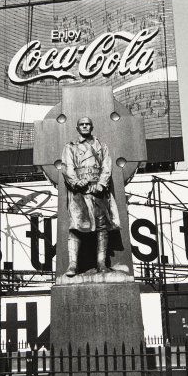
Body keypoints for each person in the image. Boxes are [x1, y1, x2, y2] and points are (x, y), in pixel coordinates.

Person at [61, 116, 120, 276]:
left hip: (97, 191)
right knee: (76, 227)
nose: (85, 126)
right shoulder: (70, 147)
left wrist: (101, 183)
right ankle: (72, 265)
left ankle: (101, 263)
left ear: (92, 127)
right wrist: (75, 182)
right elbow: (67, 166)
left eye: (88, 124)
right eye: (82, 124)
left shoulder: (101, 146)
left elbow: (106, 166)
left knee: (102, 227)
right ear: (77, 128)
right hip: (79, 192)